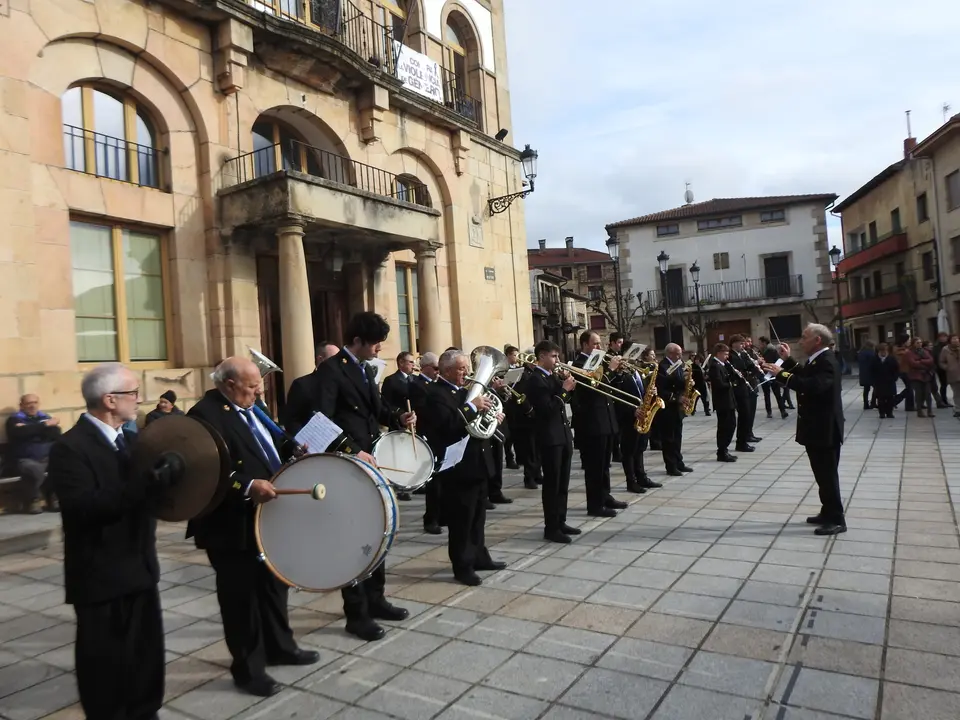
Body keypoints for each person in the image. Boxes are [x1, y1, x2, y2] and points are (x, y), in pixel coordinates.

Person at [48, 363, 177, 719]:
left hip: (140, 567)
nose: (139, 399)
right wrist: (146, 484)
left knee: (146, 655)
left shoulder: (134, 440)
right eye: (133, 393)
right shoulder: (69, 448)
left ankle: (145, 710)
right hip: (100, 576)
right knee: (105, 666)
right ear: (109, 400)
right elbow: (84, 508)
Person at [188, 357, 318, 697]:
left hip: (267, 517)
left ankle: (280, 647)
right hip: (231, 523)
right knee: (241, 599)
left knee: (274, 587)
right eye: (251, 386)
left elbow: (265, 444)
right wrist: (246, 486)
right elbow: (205, 470)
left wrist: (291, 453)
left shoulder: (251, 407)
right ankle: (248, 670)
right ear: (229, 385)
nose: (259, 392)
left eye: (259, 385)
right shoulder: (204, 415)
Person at [283, 312, 414, 642]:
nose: (379, 348)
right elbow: (321, 418)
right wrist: (351, 449)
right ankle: (356, 613)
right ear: (357, 341)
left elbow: (375, 409)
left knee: (378, 529)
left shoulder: (364, 369)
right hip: (348, 462)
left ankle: (377, 599)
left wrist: (399, 417)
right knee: (352, 538)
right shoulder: (332, 369)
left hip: (370, 458)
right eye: (375, 342)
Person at [419, 349, 506, 585]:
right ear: (447, 371)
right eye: (461, 368)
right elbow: (449, 425)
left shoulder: (463, 391)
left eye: (466, 368)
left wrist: (492, 415)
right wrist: (473, 407)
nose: (467, 372)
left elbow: (476, 422)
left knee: (478, 517)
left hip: (477, 462)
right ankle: (462, 566)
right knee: (461, 521)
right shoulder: (435, 394)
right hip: (458, 467)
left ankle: (479, 556)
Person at [762, 324, 846, 536]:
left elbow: (813, 386)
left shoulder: (827, 361)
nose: (800, 341)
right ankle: (827, 511)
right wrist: (788, 360)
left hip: (825, 428)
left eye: (804, 337)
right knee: (821, 474)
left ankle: (837, 519)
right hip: (816, 428)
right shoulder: (817, 359)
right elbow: (805, 375)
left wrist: (782, 375)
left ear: (817, 340)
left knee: (827, 475)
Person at [525, 340, 579, 543]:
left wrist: (568, 387)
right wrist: (564, 390)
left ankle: (561, 521)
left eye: (558, 356)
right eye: (554, 356)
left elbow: (565, 401)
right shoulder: (535, 380)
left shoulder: (552, 376)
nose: (558, 360)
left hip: (563, 435)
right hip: (549, 438)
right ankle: (551, 527)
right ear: (541, 356)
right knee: (552, 484)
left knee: (563, 483)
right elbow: (547, 409)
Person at [570, 331, 626, 517]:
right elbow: (592, 389)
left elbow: (609, 387)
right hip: (592, 423)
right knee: (594, 466)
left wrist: (618, 373)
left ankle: (605, 496)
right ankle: (594, 505)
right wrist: (610, 370)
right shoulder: (579, 364)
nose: (599, 347)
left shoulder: (599, 361)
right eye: (595, 344)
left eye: (600, 343)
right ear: (585, 345)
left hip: (606, 419)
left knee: (605, 464)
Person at [612, 342, 661, 493]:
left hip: (642, 413)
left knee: (639, 448)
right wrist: (632, 410)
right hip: (628, 416)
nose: (637, 357)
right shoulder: (620, 373)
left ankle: (642, 477)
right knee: (629, 450)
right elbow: (617, 397)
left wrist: (652, 392)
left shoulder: (637, 371)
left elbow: (642, 390)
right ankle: (631, 481)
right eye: (634, 354)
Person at [5, 394, 61, 513]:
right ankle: (33, 500)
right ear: (21, 406)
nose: (32, 406)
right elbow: (19, 433)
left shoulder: (44, 417)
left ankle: (53, 498)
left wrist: (30, 430)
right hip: (24, 459)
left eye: (35, 402)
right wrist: (45, 426)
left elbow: (55, 433)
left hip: (46, 457)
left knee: (62, 465)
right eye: (29, 403)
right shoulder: (14, 419)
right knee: (34, 469)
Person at [409, 351, 443, 533]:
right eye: (436, 368)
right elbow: (423, 410)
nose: (438, 372)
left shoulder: (435, 384)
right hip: (429, 434)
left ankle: (441, 515)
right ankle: (431, 519)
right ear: (426, 368)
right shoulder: (418, 384)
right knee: (434, 482)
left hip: (441, 434)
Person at [380, 351, 417, 501]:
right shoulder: (391, 380)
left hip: (414, 421)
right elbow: (387, 403)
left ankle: (413, 481)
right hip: (398, 422)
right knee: (399, 456)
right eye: (410, 362)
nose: (413, 365)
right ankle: (400, 486)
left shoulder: (415, 379)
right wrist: (400, 415)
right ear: (401, 363)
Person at [655, 343, 693, 476]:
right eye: (678, 354)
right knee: (669, 439)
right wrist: (677, 398)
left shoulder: (678, 364)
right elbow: (661, 389)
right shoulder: (662, 366)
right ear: (670, 353)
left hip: (677, 408)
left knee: (677, 436)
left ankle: (679, 462)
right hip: (668, 408)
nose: (680, 356)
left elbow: (679, 382)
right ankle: (671, 466)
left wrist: (688, 382)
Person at [708, 344, 738, 462]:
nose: (727, 356)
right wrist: (731, 383)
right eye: (725, 354)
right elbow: (719, 384)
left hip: (728, 401)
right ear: (719, 353)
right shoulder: (715, 366)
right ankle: (722, 451)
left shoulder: (722, 365)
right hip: (722, 402)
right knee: (725, 427)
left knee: (731, 425)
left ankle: (724, 449)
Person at [758, 336, 789, 418]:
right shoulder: (760, 351)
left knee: (777, 393)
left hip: (772, 374)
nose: (759, 345)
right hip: (764, 374)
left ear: (764, 343)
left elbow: (778, 361)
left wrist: (772, 368)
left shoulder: (772, 350)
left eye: (760, 343)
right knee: (767, 394)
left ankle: (782, 411)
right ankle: (770, 411)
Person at [872, 343, 901, 419]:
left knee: (890, 398)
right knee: (880, 398)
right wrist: (874, 380)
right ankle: (882, 413)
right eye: (882, 351)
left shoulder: (891, 359)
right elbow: (871, 370)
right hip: (879, 382)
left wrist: (895, 378)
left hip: (890, 382)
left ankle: (889, 413)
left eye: (885, 351)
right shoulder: (875, 359)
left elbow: (896, 369)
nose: (883, 353)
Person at [939, 334, 960, 417]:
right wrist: (947, 367)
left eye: (957, 339)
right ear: (950, 340)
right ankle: (958, 409)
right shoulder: (945, 349)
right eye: (953, 339)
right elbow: (941, 361)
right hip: (953, 375)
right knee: (957, 393)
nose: (955, 340)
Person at [857, 340, 877, 410]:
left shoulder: (861, 353)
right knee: (876, 388)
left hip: (863, 373)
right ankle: (873, 402)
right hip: (871, 373)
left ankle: (865, 404)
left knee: (866, 389)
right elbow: (874, 362)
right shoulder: (871, 353)